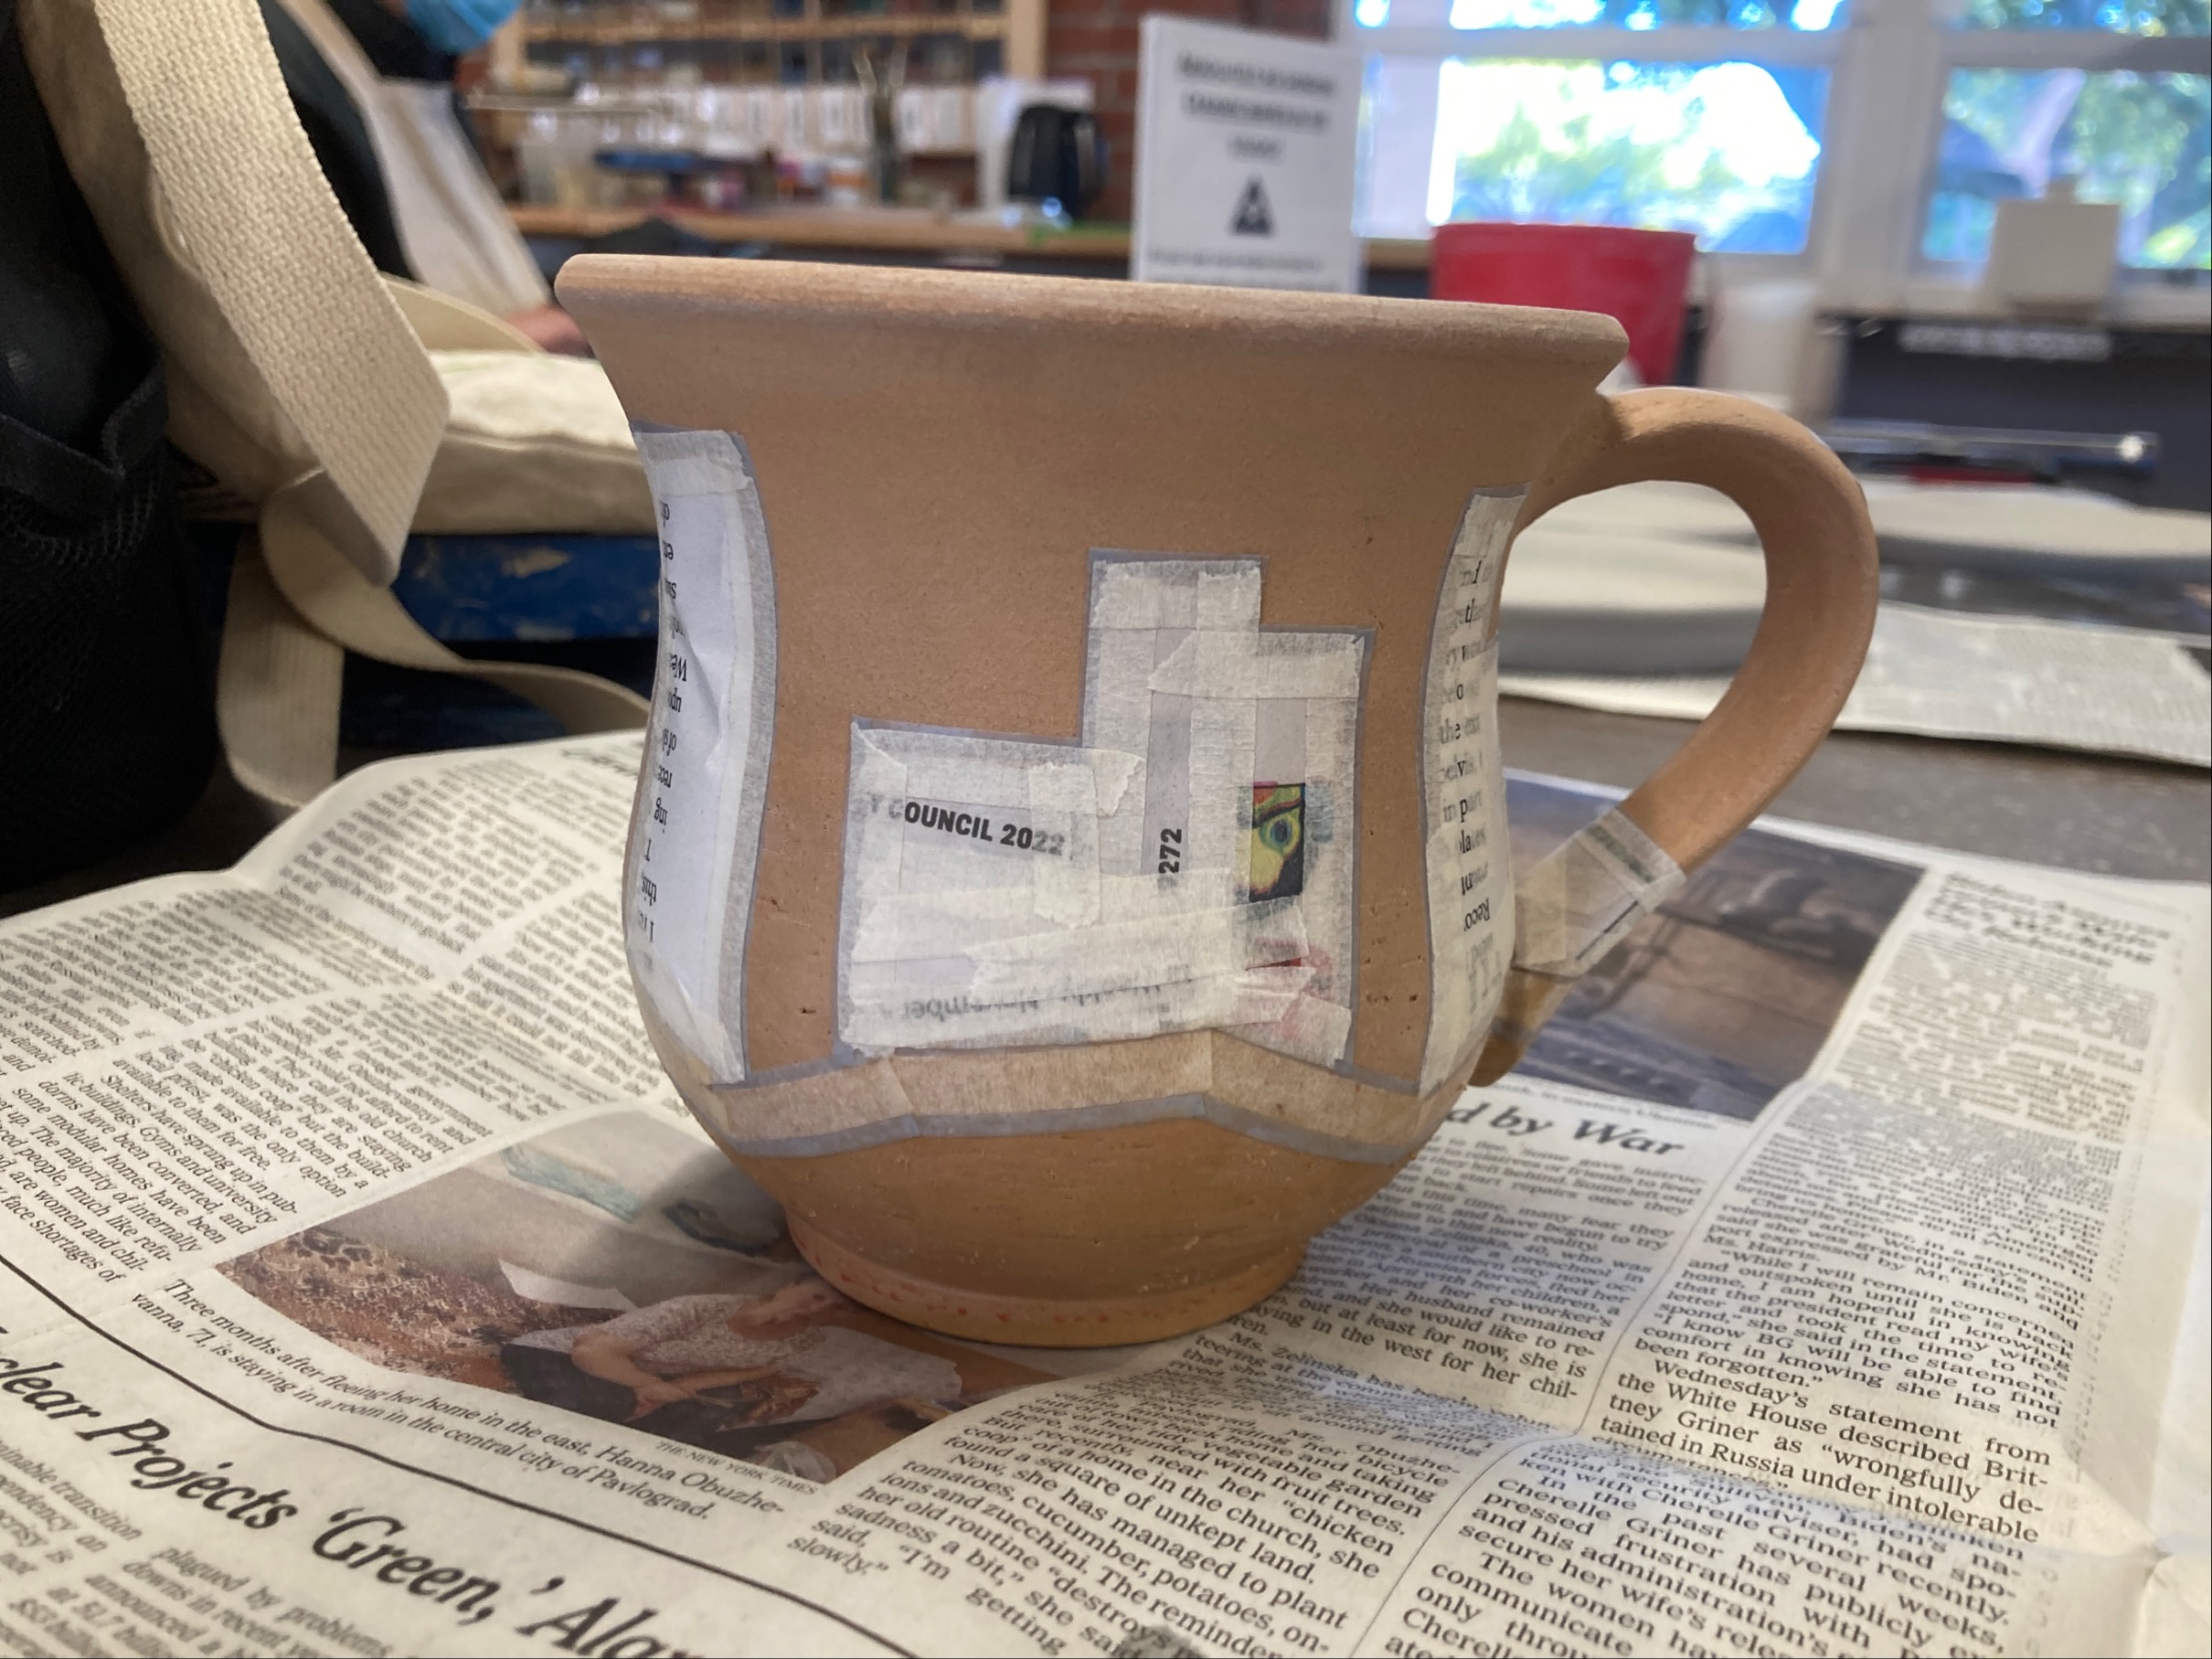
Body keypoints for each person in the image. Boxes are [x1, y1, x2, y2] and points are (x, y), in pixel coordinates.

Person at [501, 1274, 966, 1430]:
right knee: (594, 1408)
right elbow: (592, 1351)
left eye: (834, 1308)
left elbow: (732, 1373)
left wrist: (671, 1392)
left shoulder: (803, 1340)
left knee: (699, 1421)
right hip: (561, 1358)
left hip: (644, 1380)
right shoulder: (701, 1308)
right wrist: (647, 1385)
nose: (815, 1309)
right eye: (814, 1295)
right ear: (788, 1286)